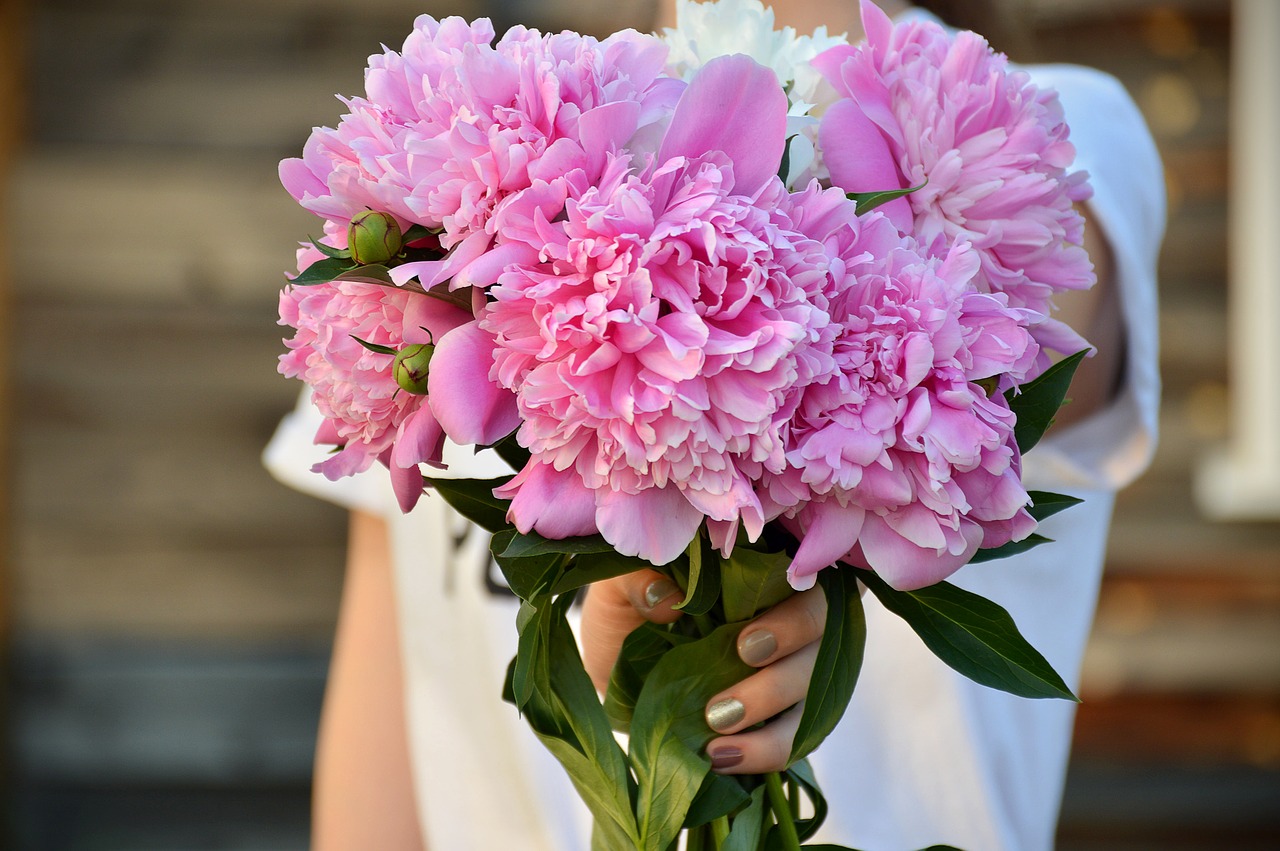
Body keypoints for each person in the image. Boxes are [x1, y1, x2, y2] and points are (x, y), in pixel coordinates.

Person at [264, 1, 1163, 848]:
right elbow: (390, 751)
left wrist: (694, 584)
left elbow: (1010, 347)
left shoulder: (1046, 128)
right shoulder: (458, 184)